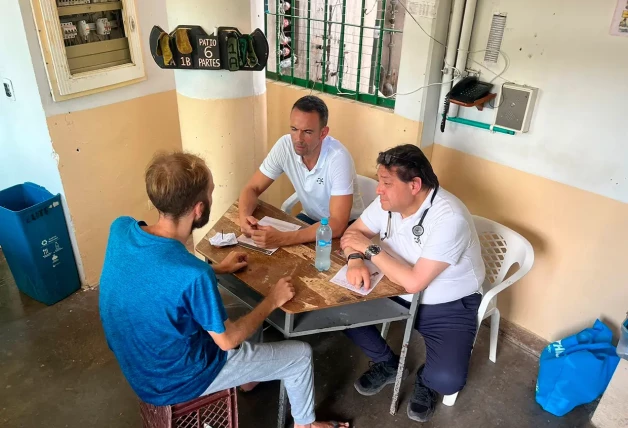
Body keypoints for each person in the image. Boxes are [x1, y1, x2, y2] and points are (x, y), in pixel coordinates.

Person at [99, 152, 347, 428]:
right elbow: (227, 341)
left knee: (243, 312)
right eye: (210, 193)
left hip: (138, 365)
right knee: (299, 354)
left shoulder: (120, 229)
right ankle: (305, 425)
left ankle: (250, 377)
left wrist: (219, 269)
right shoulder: (193, 275)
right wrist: (272, 300)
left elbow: (156, 273)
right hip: (178, 380)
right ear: (199, 209)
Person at [339, 144, 486, 423]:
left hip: (446, 303)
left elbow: (415, 282)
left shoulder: (449, 218)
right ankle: (388, 363)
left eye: (386, 183)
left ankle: (427, 379)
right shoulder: (389, 203)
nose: (378, 190)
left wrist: (369, 249)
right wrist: (356, 260)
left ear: (414, 185)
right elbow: (354, 232)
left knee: (448, 380)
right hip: (391, 286)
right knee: (337, 310)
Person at [239, 95, 364, 248]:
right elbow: (252, 188)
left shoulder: (338, 158)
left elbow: (337, 223)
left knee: (319, 267)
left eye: (307, 132)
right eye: (294, 129)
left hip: (346, 229)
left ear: (323, 133)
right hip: (310, 219)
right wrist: (244, 217)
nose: (298, 138)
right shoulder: (284, 146)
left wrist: (283, 238)